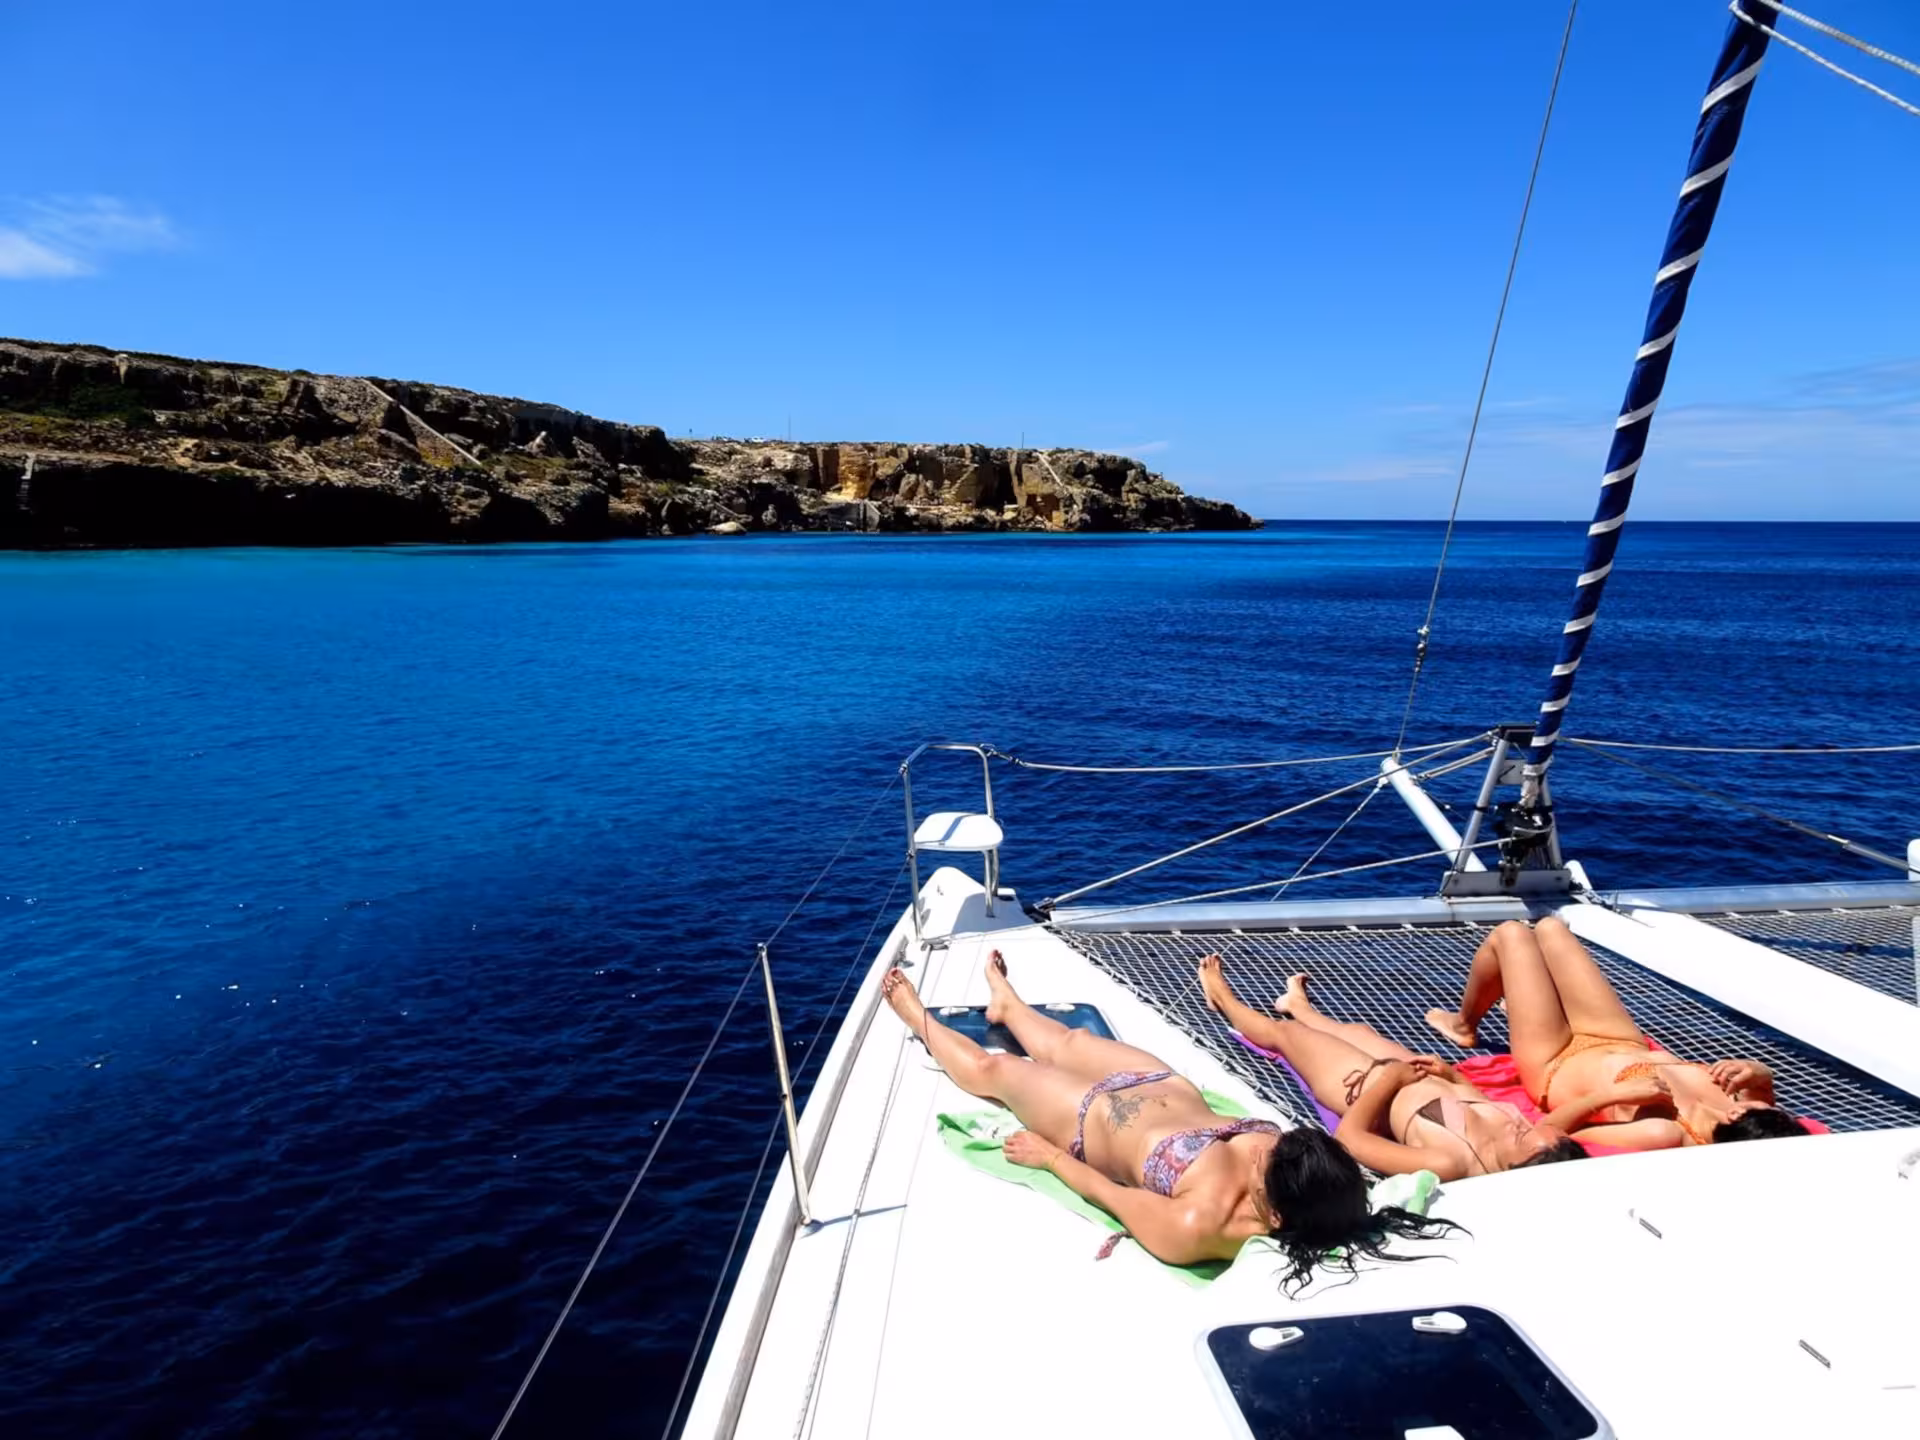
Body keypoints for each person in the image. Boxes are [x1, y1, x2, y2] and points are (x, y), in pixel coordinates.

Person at [880, 950, 1456, 1290]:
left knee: (995, 1067)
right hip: (1158, 1082)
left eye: (1266, 1165)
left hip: (1086, 1119)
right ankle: (1008, 1003)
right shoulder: (1313, 1172)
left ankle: (916, 1018)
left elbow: (1112, 1196)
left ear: (1277, 1213)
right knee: (1068, 1039)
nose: (1262, 1149)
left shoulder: (1198, 1226)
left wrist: (1050, 1157)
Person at [1423, 916, 1808, 1150]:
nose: (1765, 1103)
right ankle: (1518, 1002)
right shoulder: (1745, 1115)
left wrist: (1613, 1095)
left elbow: (1548, 1132)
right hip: (1619, 1039)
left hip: (1557, 1059)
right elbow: (1761, 1099)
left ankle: (1464, 1026)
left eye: (1762, 1106)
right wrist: (1761, 1075)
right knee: (1551, 929)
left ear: (1739, 1118)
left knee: (1511, 936)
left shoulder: (1663, 1134)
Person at [1196, 956, 1585, 1180]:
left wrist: (1391, 1080)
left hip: (1363, 1086)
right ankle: (1298, 1005)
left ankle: (1222, 998)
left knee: (1285, 1035)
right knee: (1357, 1030)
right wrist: (1453, 1076)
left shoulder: (1450, 1162)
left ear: (1516, 1167)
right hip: (1410, 1074)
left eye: (1523, 1137)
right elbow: (1473, 1100)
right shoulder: (1527, 1139)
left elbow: (1351, 1139)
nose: (1521, 1124)